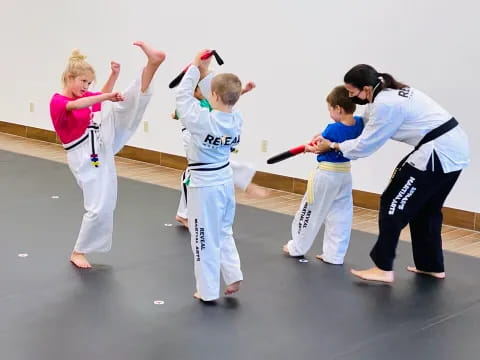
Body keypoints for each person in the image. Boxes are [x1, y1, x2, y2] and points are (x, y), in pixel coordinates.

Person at [312, 64, 470, 283]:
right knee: (426, 208)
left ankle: (383, 267)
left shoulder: (386, 104)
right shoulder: (385, 94)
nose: (349, 96)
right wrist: (330, 132)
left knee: (393, 201)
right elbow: (365, 125)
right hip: (453, 149)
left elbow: (365, 145)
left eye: (351, 92)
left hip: (438, 152)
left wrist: (333, 146)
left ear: (366, 89)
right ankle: (431, 266)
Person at [49, 42, 165, 268]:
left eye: (89, 83)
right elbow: (81, 104)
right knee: (100, 205)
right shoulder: (58, 101)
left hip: (100, 138)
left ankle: (152, 66)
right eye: (83, 82)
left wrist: (114, 75)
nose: (86, 86)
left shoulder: (86, 97)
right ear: (69, 78)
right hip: (84, 154)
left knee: (127, 107)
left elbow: (98, 97)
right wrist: (106, 96)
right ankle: (78, 250)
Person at [175, 49, 244, 301]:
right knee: (224, 230)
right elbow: (217, 95)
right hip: (224, 181)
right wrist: (205, 73)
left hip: (204, 185)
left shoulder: (203, 120)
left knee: (202, 238)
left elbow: (182, 98)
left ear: (213, 95)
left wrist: (194, 67)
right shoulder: (236, 118)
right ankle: (233, 272)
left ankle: (206, 291)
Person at [282, 86, 363, 265]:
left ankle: (297, 247)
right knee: (340, 214)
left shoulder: (332, 129)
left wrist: (309, 147)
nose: (329, 113)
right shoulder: (359, 124)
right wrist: (322, 136)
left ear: (338, 109)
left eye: (329, 109)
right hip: (344, 176)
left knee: (309, 211)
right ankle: (334, 255)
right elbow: (335, 138)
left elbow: (320, 146)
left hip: (326, 175)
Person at [173, 81, 267, 228]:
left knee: (213, 165)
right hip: (192, 138)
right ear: (195, 91)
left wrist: (242, 91)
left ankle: (184, 213)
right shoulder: (196, 105)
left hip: (201, 137)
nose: (208, 93)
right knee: (200, 169)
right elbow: (178, 113)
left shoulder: (205, 103)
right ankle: (184, 214)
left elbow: (224, 100)